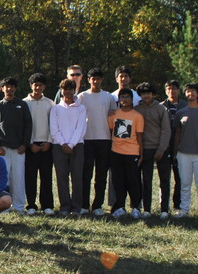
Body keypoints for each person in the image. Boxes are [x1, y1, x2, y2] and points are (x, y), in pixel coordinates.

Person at [0, 76, 32, 214]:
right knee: (4, 178)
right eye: (6, 86)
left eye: (12, 87)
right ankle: (4, 206)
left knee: (19, 178)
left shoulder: (22, 105)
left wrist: (25, 144)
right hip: (3, 149)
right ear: (2, 89)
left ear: (15, 88)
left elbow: (28, 126)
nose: (9, 89)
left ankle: (19, 207)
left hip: (19, 149)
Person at [78, 68, 115, 215]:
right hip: (86, 140)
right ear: (88, 80)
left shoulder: (109, 97)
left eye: (98, 78)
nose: (96, 81)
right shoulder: (82, 97)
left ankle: (97, 205)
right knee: (86, 175)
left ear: (102, 80)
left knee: (101, 175)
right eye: (93, 78)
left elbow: (113, 118)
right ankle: (84, 205)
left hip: (104, 139)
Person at [174, 83, 198, 219]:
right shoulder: (180, 112)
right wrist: (176, 151)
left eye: (193, 92)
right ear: (185, 94)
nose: (191, 94)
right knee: (185, 184)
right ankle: (184, 210)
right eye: (188, 92)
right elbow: (177, 134)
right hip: (183, 153)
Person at [50, 78, 87, 215]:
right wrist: (63, 144)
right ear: (61, 91)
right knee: (62, 177)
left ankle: (76, 207)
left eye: (71, 89)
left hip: (77, 146)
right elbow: (54, 129)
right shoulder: (55, 108)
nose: (68, 92)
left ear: (75, 90)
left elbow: (81, 128)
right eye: (65, 89)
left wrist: (71, 144)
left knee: (77, 177)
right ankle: (65, 206)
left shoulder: (81, 108)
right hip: (59, 146)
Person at [108, 87, 145, 218]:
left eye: (127, 97)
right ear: (119, 99)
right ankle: (120, 207)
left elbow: (140, 136)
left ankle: (135, 207)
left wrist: (141, 153)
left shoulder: (137, 116)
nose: (125, 99)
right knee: (118, 181)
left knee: (133, 180)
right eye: (122, 97)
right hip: (116, 152)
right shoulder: (113, 115)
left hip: (132, 152)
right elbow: (111, 130)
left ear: (132, 99)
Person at [135, 83, 170, 218]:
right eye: (143, 93)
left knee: (164, 180)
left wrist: (161, 149)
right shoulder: (137, 109)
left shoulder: (161, 109)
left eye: (149, 93)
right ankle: (147, 209)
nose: (146, 95)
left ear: (153, 94)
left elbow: (166, 130)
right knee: (146, 180)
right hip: (145, 150)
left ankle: (164, 210)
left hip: (161, 149)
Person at [24, 73, 55, 215]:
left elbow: (53, 124)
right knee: (30, 176)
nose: (38, 87)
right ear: (31, 86)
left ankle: (47, 205)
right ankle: (31, 205)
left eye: (41, 85)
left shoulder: (50, 103)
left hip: (46, 145)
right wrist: (30, 144)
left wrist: (49, 141)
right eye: (35, 84)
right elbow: (23, 126)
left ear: (44, 86)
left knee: (46, 176)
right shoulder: (24, 103)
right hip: (31, 146)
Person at [160, 80, 184, 212]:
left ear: (178, 90)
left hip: (181, 146)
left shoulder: (185, 106)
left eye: (174, 88)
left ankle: (178, 204)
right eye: (168, 89)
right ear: (165, 91)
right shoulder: (161, 106)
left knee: (179, 177)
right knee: (164, 177)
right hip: (165, 145)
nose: (171, 91)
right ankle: (163, 204)